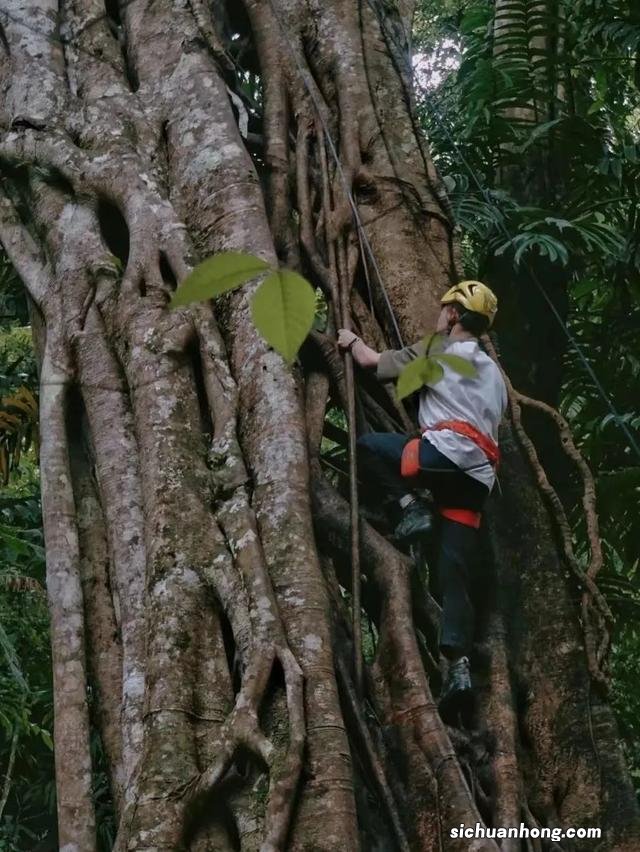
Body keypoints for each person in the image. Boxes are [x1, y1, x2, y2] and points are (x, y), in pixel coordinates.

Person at [337, 280, 507, 718]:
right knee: (453, 571)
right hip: (477, 482)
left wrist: (352, 338)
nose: (439, 314)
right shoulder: (494, 374)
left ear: (453, 315)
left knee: (370, 447)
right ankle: (458, 668)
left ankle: (409, 508)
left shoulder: (437, 348)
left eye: (444, 307)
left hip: (443, 456)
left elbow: (373, 364)